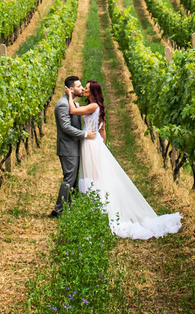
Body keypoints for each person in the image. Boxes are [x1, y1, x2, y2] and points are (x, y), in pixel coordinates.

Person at [69, 80, 182, 240]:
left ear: (93, 92)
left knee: (93, 177)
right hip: (96, 144)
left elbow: (73, 111)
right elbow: (103, 129)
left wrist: (69, 95)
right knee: (97, 175)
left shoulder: (93, 106)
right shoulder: (98, 107)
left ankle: (98, 209)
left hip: (91, 144)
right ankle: (97, 208)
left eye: (87, 89)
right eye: (84, 88)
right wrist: (103, 146)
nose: (85, 91)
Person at [49, 76, 96, 218]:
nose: (81, 88)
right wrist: (84, 134)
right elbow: (65, 127)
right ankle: (58, 211)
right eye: (79, 86)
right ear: (71, 89)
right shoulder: (63, 104)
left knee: (72, 178)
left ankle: (67, 208)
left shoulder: (71, 102)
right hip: (68, 147)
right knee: (69, 178)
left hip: (73, 147)